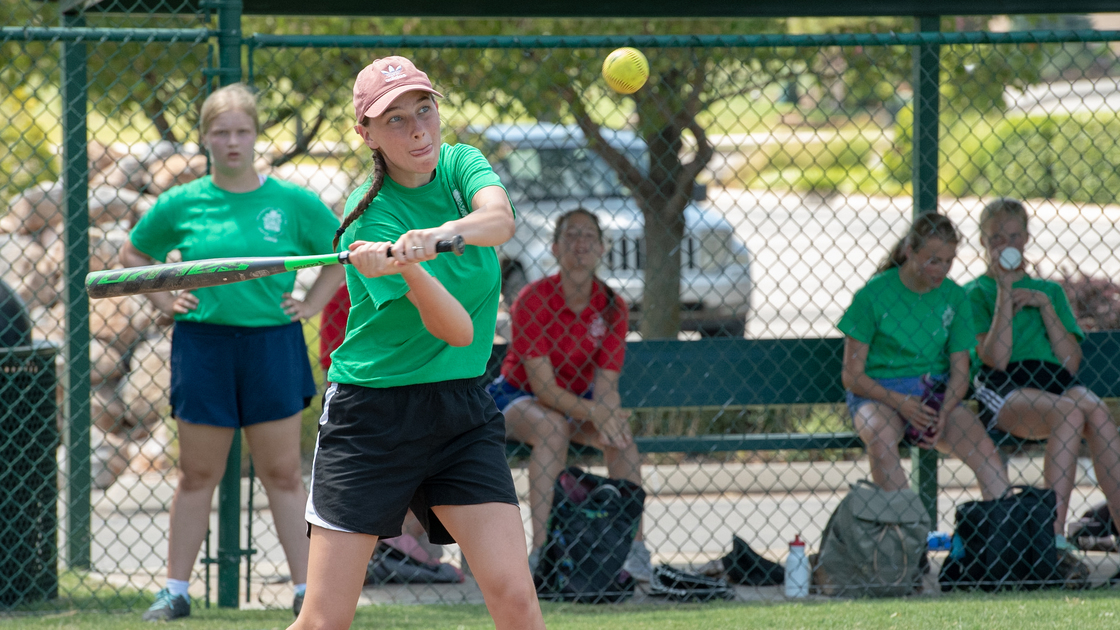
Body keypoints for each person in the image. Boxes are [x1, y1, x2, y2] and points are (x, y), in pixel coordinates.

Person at [289, 56, 544, 630]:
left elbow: (499, 221)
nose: (417, 129)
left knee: (514, 597)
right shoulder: (365, 217)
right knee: (325, 620)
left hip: (460, 411)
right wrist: (405, 269)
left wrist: (432, 239)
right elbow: (457, 330)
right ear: (367, 135)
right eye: (395, 119)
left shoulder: (460, 165)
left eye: (423, 109)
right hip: (371, 414)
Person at [120, 83, 345, 621]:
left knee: (284, 474)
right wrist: (166, 296)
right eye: (221, 132)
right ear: (205, 139)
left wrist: (311, 305)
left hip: (272, 345)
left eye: (242, 131)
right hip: (203, 345)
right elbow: (133, 253)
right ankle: (175, 590)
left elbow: (340, 252)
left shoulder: (291, 202)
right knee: (197, 474)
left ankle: (305, 593)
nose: (233, 142)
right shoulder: (183, 201)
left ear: (256, 135)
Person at [487, 207, 652, 581]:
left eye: (589, 236)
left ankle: (634, 551)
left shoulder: (612, 305)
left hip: (578, 406)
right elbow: (543, 388)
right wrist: (598, 412)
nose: (581, 243)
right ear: (555, 248)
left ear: (602, 249)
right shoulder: (533, 298)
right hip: (518, 398)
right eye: (571, 235)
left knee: (621, 440)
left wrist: (609, 418)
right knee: (552, 427)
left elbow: (606, 384)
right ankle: (544, 553)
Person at [966, 197, 1120, 576]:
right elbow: (996, 359)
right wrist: (1005, 294)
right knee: (1069, 411)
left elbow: (1070, 363)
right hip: (1006, 387)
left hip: (1053, 382)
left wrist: (1046, 307)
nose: (1006, 244)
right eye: (996, 238)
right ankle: (1050, 545)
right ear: (984, 243)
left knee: (1097, 412)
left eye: (1014, 236)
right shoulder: (975, 294)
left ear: (1027, 238)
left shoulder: (1049, 291)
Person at [838, 212, 1009, 499]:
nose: (941, 270)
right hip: (880, 394)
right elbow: (852, 376)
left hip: (935, 395)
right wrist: (903, 404)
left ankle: (1006, 532)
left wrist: (943, 411)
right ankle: (909, 533)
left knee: (984, 449)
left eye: (948, 261)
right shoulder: (873, 295)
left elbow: (960, 373)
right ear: (910, 252)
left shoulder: (955, 297)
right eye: (932, 260)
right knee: (881, 440)